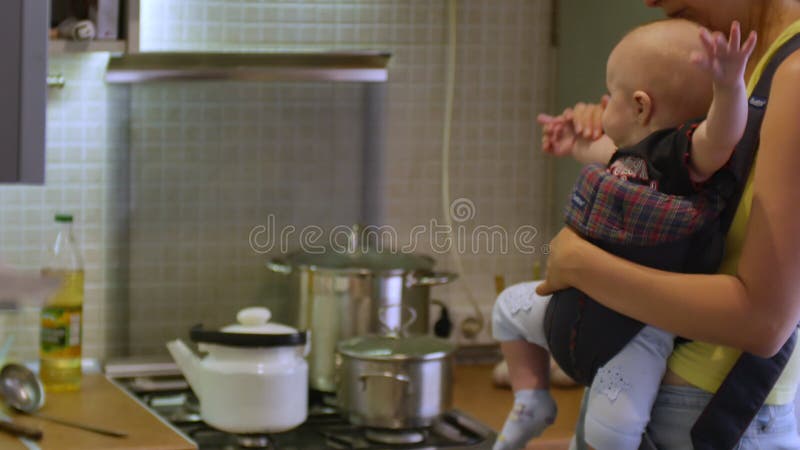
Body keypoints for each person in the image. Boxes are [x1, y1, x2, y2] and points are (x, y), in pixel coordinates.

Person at [535, 1, 800, 448]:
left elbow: (765, 322)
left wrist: (580, 264)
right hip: (648, 385)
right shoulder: (736, 62)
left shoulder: (793, 77)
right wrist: (617, 136)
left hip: (705, 412)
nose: (650, 0)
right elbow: (675, 168)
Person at [492, 17, 756, 450]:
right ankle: (531, 400)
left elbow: (721, 137)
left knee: (612, 430)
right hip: (568, 307)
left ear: (639, 106)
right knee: (506, 309)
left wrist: (728, 89)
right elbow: (604, 154)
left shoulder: (684, 161)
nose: (600, 103)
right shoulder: (631, 156)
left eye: (608, 93)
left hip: (633, 337)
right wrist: (573, 145)